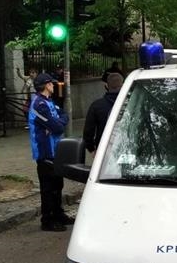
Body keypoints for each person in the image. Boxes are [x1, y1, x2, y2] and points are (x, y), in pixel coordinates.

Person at [29, 73, 73, 232]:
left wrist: (55, 125)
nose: (53, 85)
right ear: (46, 86)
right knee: (48, 187)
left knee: (57, 184)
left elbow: (64, 116)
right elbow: (58, 127)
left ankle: (58, 214)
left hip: (55, 150)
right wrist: (55, 126)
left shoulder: (49, 102)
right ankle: (47, 220)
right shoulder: (39, 105)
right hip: (45, 152)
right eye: (51, 83)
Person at [83, 73, 123, 153]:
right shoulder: (132, 103)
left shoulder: (96, 106)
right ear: (123, 85)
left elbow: (88, 132)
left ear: (106, 86)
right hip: (126, 148)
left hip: (103, 150)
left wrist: (91, 149)